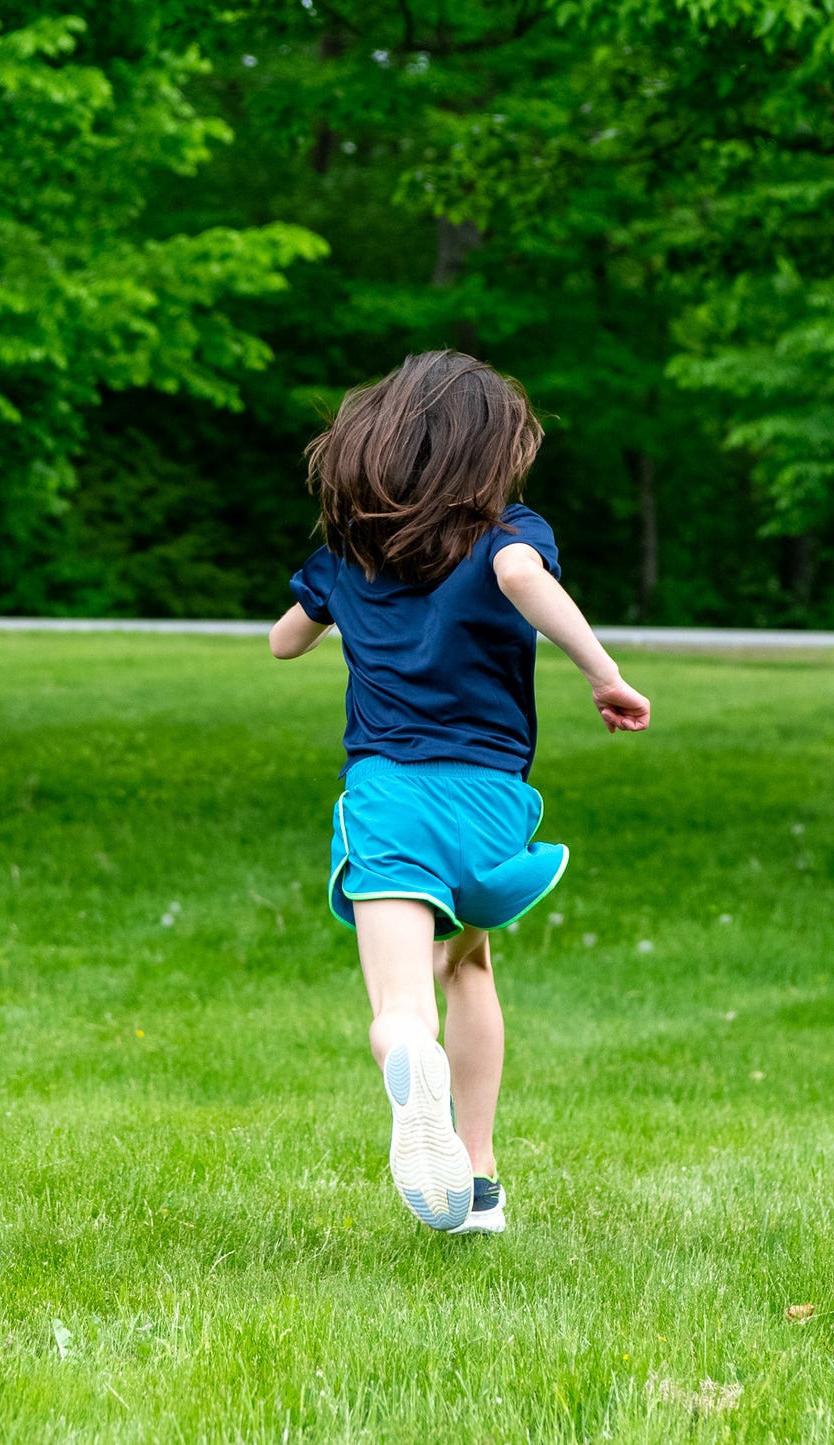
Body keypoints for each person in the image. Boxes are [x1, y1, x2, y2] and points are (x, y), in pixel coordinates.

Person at [269, 351, 650, 1235]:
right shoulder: (510, 532)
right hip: (486, 806)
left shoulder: (346, 553)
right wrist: (603, 674)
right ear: (487, 455)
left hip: (388, 801)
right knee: (469, 964)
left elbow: (284, 643)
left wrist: (330, 593)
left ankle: (412, 1059)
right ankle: (477, 1180)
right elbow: (520, 576)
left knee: (400, 1009)